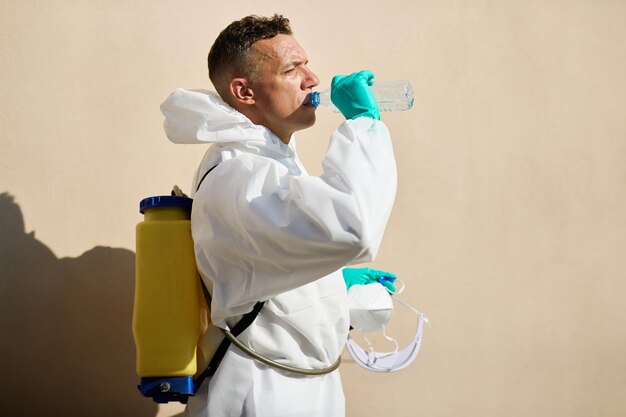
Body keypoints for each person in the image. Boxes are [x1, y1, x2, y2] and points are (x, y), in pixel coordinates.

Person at [160, 14, 397, 417]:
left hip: (302, 386)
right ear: (244, 91)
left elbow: (265, 273)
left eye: (306, 64)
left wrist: (334, 285)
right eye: (292, 69)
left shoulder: (268, 163)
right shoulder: (240, 174)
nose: (313, 79)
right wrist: (362, 125)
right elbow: (353, 227)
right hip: (262, 392)